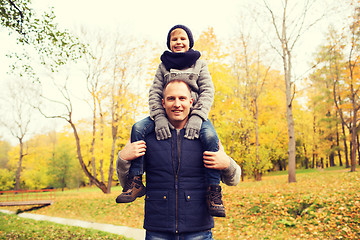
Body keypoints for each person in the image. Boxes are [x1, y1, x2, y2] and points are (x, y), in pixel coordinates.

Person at [116, 24, 224, 217]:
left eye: (183, 38)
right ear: (169, 43)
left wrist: (198, 117)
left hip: (196, 115)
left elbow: (208, 91)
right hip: (164, 117)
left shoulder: (199, 64)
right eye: (174, 39)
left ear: (190, 42)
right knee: (138, 127)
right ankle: (136, 181)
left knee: (210, 136)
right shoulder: (164, 65)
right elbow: (155, 92)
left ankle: (213, 191)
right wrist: (158, 118)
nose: (178, 42)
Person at [116, 80, 241, 239]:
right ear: (163, 102)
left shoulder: (206, 136)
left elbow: (234, 180)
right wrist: (123, 159)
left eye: (182, 98)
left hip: (198, 230)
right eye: (171, 98)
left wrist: (227, 164)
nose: (177, 104)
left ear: (191, 102)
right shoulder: (147, 136)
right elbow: (127, 184)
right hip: (157, 230)